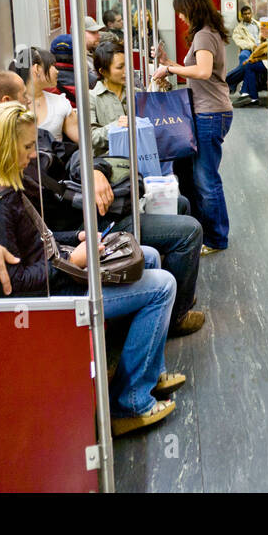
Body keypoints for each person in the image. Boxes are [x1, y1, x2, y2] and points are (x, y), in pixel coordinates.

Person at [0, 69, 206, 336]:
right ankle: (171, 317)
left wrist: (94, 170)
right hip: (66, 233)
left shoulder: (33, 136)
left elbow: (71, 154)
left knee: (177, 205)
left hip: (73, 226)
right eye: (25, 98)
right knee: (187, 230)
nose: (32, 105)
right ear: (5, 103)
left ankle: (149, 326)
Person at [0, 101, 182, 435]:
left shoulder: (3, 184)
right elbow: (11, 285)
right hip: (50, 298)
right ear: (2, 147)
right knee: (162, 285)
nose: (33, 155)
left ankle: (149, 370)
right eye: (27, 147)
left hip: (57, 269)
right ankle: (130, 402)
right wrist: (72, 260)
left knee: (147, 256)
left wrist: (74, 236)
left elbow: (36, 239)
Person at [87, 41, 208, 336]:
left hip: (146, 174)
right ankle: (177, 315)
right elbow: (88, 138)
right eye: (119, 68)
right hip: (119, 185)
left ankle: (180, 293)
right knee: (189, 228)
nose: (126, 72)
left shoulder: (134, 93)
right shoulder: (92, 100)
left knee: (181, 204)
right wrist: (115, 127)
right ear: (103, 72)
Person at [154, 0, 233, 255]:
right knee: (196, 175)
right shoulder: (209, 33)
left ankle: (216, 239)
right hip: (210, 110)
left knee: (206, 179)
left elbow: (202, 71)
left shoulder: (202, 35)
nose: (181, 18)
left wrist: (169, 68)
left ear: (191, 9)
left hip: (210, 113)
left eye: (182, 12)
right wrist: (170, 63)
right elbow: (199, 72)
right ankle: (204, 229)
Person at [12, 46, 78, 145]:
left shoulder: (60, 102)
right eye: (52, 65)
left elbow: (83, 140)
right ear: (37, 69)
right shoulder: (11, 105)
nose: (57, 71)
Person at [225, 20, 268, 107]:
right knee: (243, 57)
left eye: (249, 13)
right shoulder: (238, 29)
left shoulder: (258, 25)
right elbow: (240, 42)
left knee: (247, 65)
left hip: (262, 53)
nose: (247, 16)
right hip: (249, 48)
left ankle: (232, 83)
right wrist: (251, 47)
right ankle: (245, 92)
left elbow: (262, 49)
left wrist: (252, 59)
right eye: (245, 14)